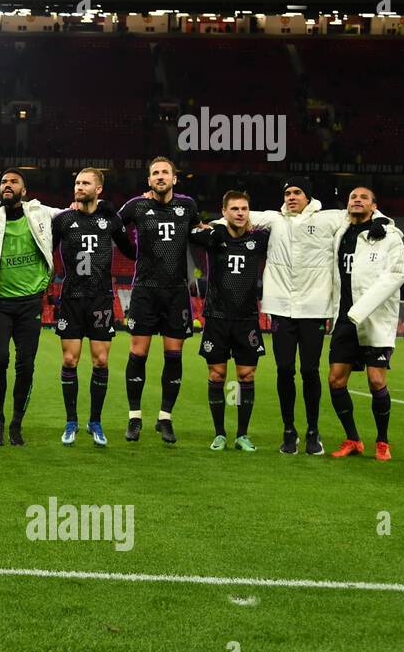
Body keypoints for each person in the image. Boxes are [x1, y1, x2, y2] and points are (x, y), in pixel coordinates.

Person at [241, 178, 375, 456]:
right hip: (281, 308)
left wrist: (384, 220)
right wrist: (205, 225)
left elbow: (362, 212)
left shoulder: (329, 219)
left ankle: (313, 431)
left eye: (297, 192)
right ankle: (289, 431)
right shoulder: (274, 220)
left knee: (309, 371)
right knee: (284, 370)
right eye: (287, 193)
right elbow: (235, 212)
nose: (291, 197)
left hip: (314, 309)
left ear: (307, 196)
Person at [0, 168, 65, 446]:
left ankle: (16, 423)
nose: (7, 185)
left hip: (29, 303)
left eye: (13, 182)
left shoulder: (39, 213)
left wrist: (97, 208)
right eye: (3, 182)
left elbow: (69, 214)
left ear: (24, 189)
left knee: (26, 365)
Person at [117, 157, 201, 444]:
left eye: (165, 172)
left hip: (176, 291)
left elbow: (199, 233)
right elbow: (114, 228)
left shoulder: (187, 206)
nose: (160, 176)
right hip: (144, 290)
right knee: (137, 354)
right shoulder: (136, 206)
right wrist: (131, 252)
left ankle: (165, 418)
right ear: (149, 180)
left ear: (175, 179)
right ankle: (134, 417)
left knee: (173, 356)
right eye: (155, 173)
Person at [50, 167, 135, 446]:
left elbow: (131, 252)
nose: (79, 186)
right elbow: (44, 248)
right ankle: (71, 421)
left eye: (85, 183)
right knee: (69, 360)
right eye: (76, 182)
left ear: (99, 189)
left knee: (100, 361)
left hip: (100, 299)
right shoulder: (62, 220)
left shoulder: (110, 219)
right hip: (71, 298)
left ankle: (95, 422)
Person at [327, 187, 404, 461]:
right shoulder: (342, 233)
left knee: (375, 380)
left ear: (374, 206)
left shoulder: (389, 236)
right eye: (352, 197)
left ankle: (382, 442)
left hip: (374, 319)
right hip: (344, 317)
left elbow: (397, 274)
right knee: (336, 380)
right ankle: (352, 438)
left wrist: (361, 309)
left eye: (363, 197)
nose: (357, 200)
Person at [190, 192, 269, 451]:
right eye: (234, 208)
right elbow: (189, 232)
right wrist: (212, 225)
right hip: (217, 318)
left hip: (247, 319)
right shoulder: (215, 237)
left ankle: (242, 435)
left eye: (244, 208)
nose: (239, 213)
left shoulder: (259, 238)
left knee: (245, 375)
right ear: (224, 211)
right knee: (217, 374)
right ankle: (220, 434)